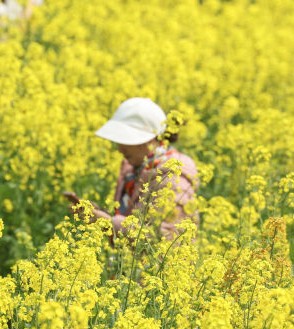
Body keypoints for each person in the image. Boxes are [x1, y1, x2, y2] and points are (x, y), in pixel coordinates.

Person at [65, 98, 199, 241]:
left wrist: (107, 222)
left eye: (125, 140)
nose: (119, 149)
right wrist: (99, 215)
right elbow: (132, 221)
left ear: (147, 140)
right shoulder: (135, 170)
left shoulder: (174, 179)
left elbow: (166, 240)